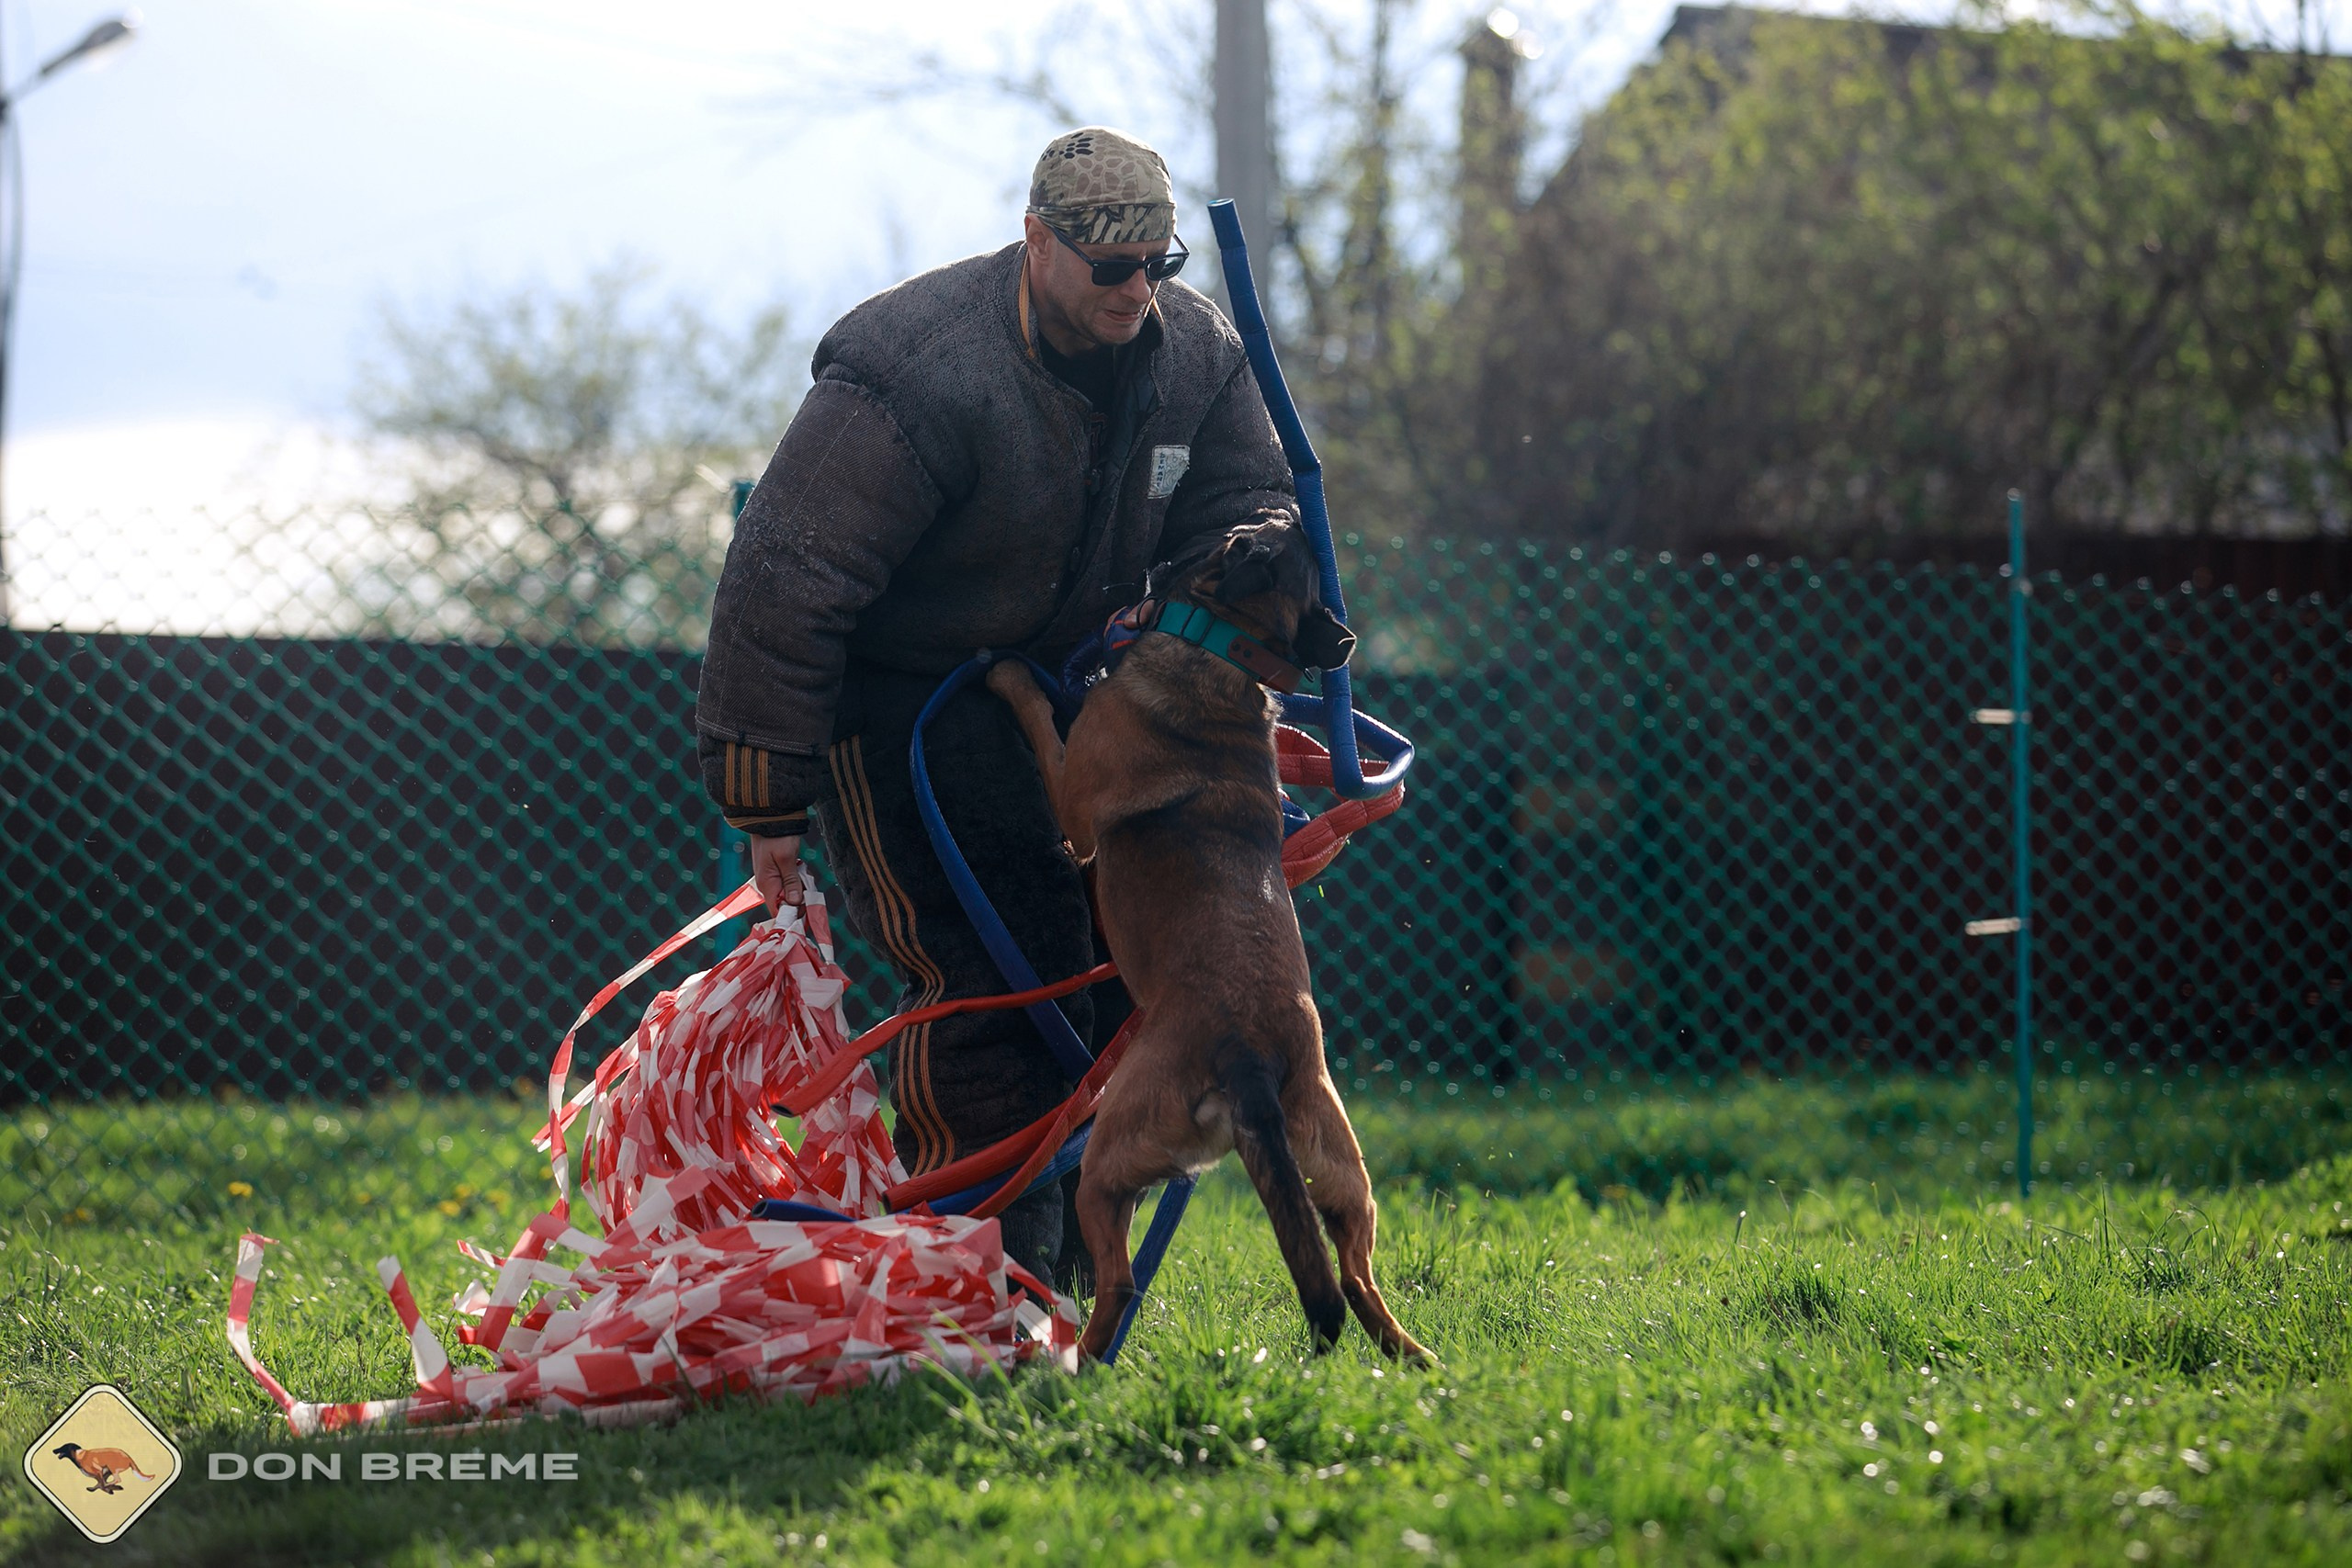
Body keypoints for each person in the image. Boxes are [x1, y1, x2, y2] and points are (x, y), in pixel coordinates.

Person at [695, 127, 1297, 1282]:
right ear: (1036, 240)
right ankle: (968, 1273)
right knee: (994, 968)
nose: (1135, 291)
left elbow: (1249, 497)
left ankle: (1075, 1283)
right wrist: (765, 798)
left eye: (1156, 267)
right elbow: (784, 573)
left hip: (1085, 687)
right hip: (905, 696)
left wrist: (1246, 574)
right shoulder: (916, 368)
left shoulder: (1196, 358)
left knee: (1125, 973)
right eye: (1106, 266)